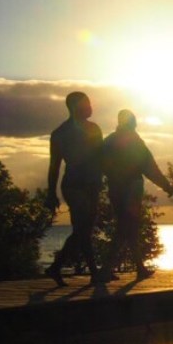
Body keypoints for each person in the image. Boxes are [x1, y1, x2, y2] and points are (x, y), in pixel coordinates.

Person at [97, 109, 173, 281]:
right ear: (132, 123)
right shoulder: (135, 142)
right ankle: (106, 269)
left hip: (115, 188)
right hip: (131, 188)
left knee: (128, 228)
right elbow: (150, 167)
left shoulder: (108, 141)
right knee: (126, 227)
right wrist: (166, 185)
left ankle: (139, 268)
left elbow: (101, 165)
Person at [44, 91, 103, 286]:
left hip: (92, 184)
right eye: (87, 104)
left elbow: (102, 159)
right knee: (83, 228)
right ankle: (93, 273)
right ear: (76, 107)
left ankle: (58, 267)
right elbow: (55, 166)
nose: (91, 107)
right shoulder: (60, 134)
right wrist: (51, 193)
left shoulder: (93, 129)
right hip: (74, 186)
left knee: (83, 229)